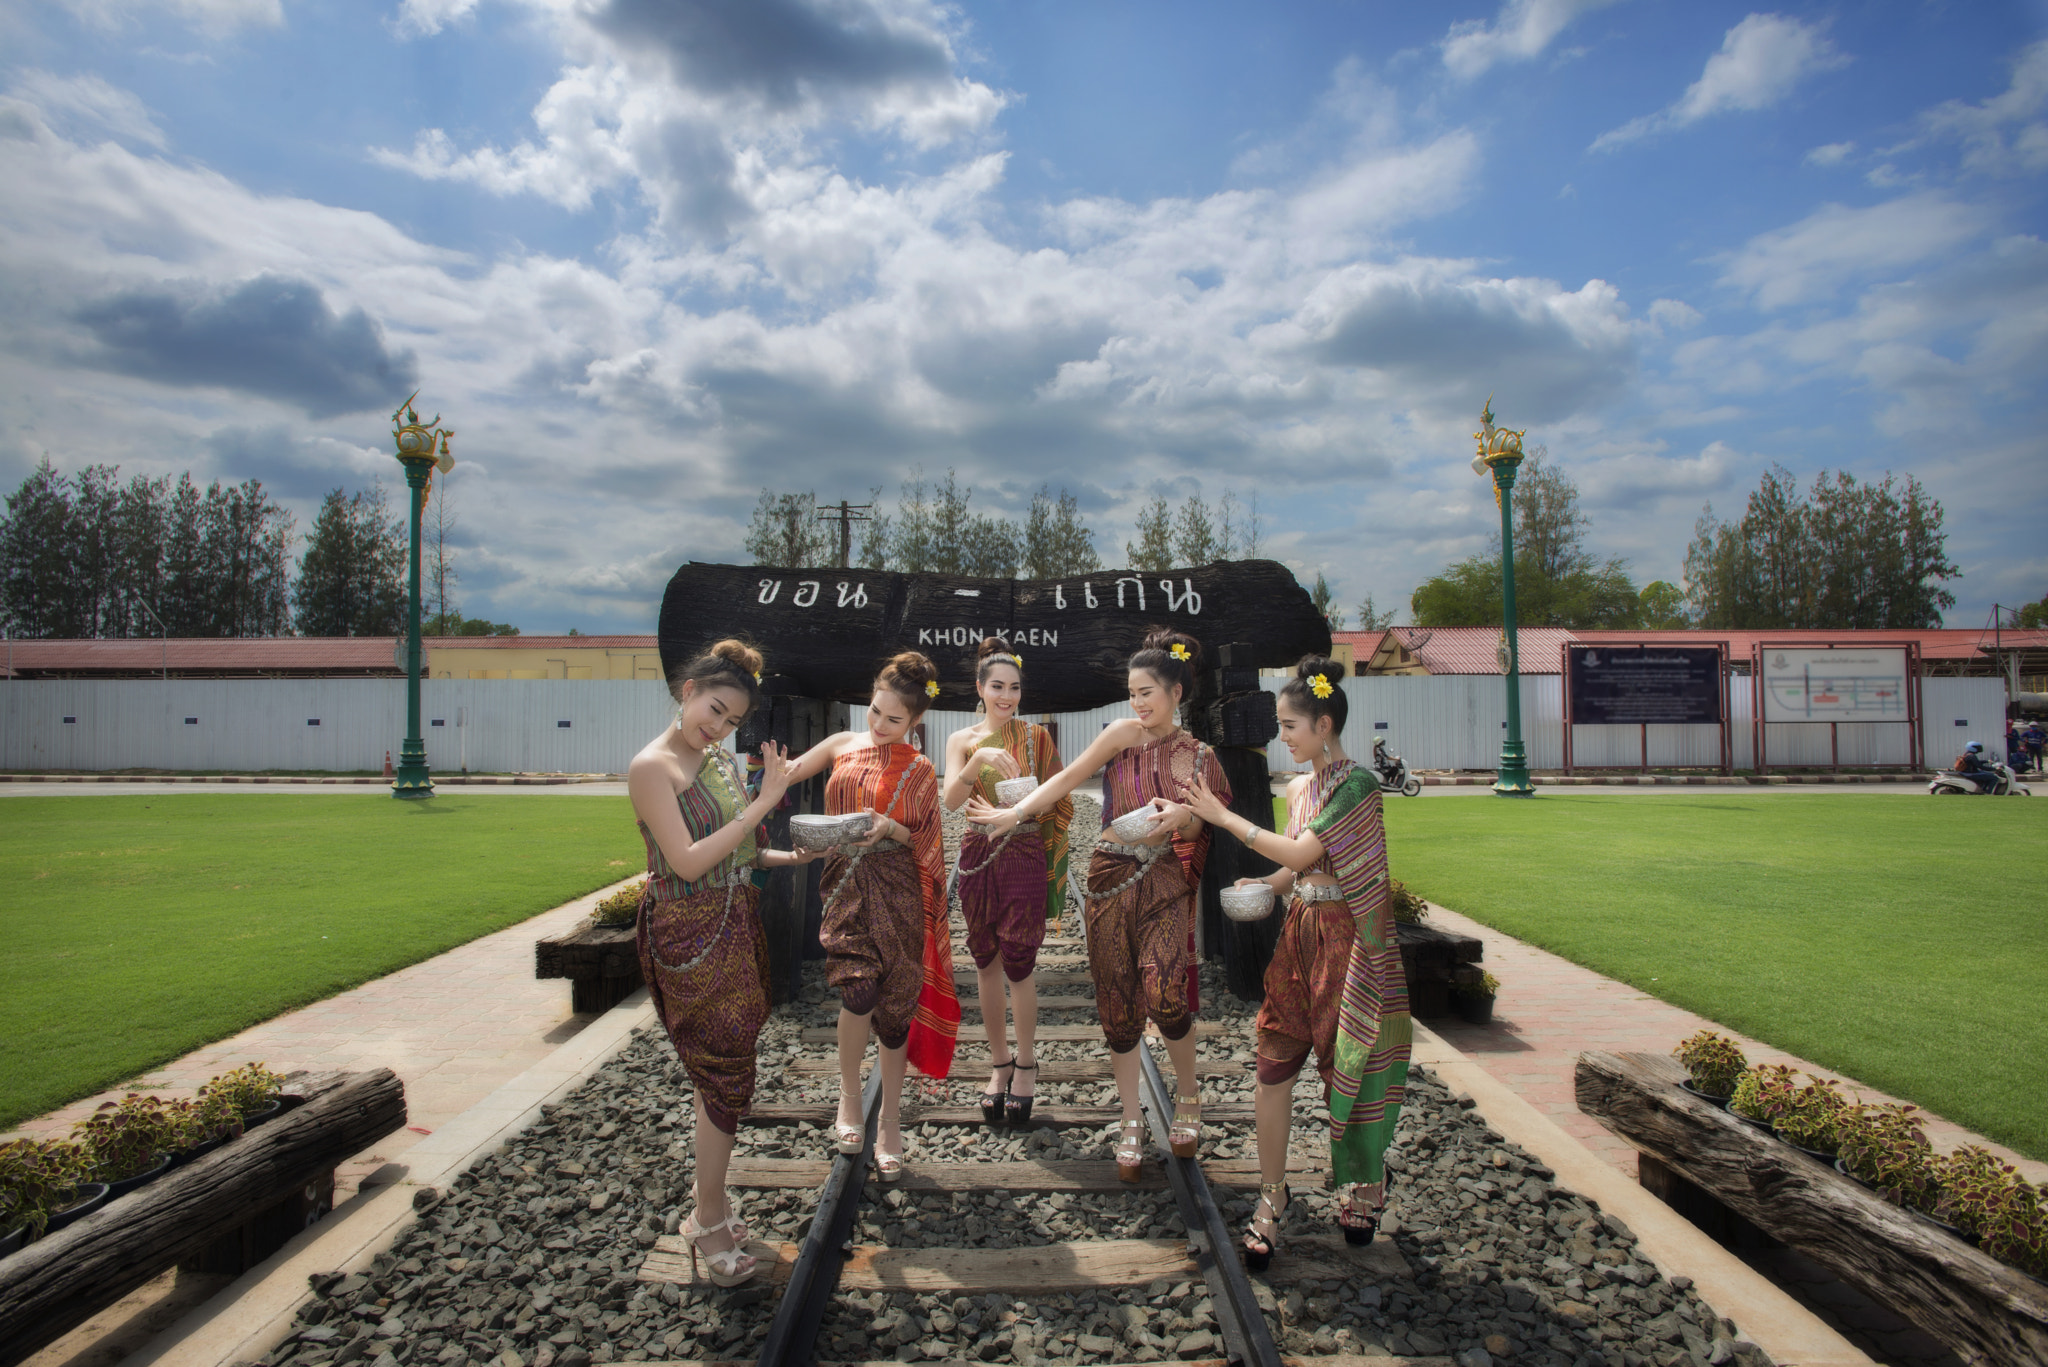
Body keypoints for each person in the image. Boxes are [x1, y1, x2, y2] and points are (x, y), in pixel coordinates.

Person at [968, 628, 1230, 1180]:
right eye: (1132, 693)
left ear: (1176, 694)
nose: (1138, 703)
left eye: (1147, 693)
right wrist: (1015, 815)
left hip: (1162, 875)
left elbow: (1209, 816)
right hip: (1111, 871)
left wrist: (1181, 817)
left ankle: (1188, 1096)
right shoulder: (1120, 734)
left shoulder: (1201, 756)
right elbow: (1066, 778)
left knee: (1164, 992)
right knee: (1116, 1003)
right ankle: (1132, 1118)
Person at [1185, 656, 1409, 1269]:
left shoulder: (1357, 785)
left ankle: (1365, 1185)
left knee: (1351, 1064)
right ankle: (1272, 1194)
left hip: (1348, 944)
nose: (1281, 736)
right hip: (1300, 936)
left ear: (1325, 724)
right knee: (1272, 1064)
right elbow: (1300, 864)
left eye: (1289, 725)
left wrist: (1225, 817)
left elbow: (1309, 847)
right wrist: (1270, 883)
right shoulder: (1302, 787)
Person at [626, 639, 818, 1287]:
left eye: (733, 720)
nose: (719, 726)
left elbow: (741, 853)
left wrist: (796, 856)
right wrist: (766, 802)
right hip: (687, 927)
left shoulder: (713, 758)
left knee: (730, 1065)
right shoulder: (652, 767)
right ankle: (706, 1216)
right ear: (686, 691)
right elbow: (686, 859)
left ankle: (714, 1202)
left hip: (734, 921)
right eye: (713, 709)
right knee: (726, 1068)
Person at [784, 651, 957, 1180]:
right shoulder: (841, 745)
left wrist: (890, 827)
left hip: (898, 887)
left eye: (893, 719)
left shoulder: (922, 769)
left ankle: (891, 1122)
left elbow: (926, 836)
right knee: (857, 990)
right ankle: (849, 1098)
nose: (879, 725)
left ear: (916, 722)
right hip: (844, 882)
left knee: (895, 1009)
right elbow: (787, 775)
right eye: (875, 711)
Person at [941, 637, 1073, 1127]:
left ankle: (1026, 1064)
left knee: (1019, 962)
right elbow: (952, 802)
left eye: (1014, 688)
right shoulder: (960, 740)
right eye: (997, 686)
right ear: (980, 687)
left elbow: (1059, 797)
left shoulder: (1037, 738)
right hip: (977, 851)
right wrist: (977, 761)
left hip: (1022, 849)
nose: (1006, 696)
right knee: (985, 959)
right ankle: (998, 1063)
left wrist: (1017, 811)